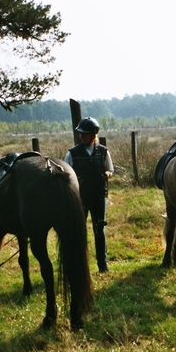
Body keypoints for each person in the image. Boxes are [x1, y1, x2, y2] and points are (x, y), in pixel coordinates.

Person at [65, 117, 114, 273]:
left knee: (99, 230)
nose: (82, 137)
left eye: (85, 134)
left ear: (94, 134)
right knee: (79, 230)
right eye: (80, 134)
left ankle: (103, 264)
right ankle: (79, 265)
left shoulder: (103, 152)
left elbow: (110, 169)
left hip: (99, 196)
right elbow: (66, 174)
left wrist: (107, 174)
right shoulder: (72, 154)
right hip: (80, 198)